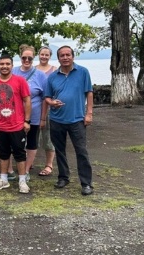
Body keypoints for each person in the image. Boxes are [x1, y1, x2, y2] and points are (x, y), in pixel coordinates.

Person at [44, 45, 94, 196]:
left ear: (73, 56)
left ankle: (86, 183)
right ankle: (63, 177)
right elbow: (47, 96)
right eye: (62, 55)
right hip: (57, 119)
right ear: (58, 58)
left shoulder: (83, 72)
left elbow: (89, 93)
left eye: (68, 55)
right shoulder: (52, 76)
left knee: (81, 151)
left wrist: (89, 113)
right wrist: (51, 102)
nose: (65, 58)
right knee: (59, 151)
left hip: (77, 119)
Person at [0, 54, 31, 193]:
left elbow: (27, 100)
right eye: (2, 64)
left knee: (20, 153)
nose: (4, 66)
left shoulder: (20, 81)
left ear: (12, 65)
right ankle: (3, 179)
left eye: (7, 64)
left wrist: (27, 121)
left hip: (17, 124)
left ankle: (22, 181)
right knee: (3, 153)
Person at [11, 45, 48, 181]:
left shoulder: (40, 75)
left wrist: (43, 118)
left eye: (30, 58)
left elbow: (45, 98)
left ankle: (26, 170)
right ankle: (13, 168)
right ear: (20, 57)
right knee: (14, 142)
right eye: (24, 57)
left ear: (34, 58)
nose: (27, 60)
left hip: (34, 113)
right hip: (14, 114)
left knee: (31, 141)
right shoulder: (13, 71)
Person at [36, 46, 57, 176]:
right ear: (38, 55)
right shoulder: (33, 70)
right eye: (42, 54)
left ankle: (49, 164)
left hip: (49, 108)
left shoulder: (54, 70)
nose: (44, 57)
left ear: (50, 56)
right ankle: (29, 161)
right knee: (31, 137)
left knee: (48, 137)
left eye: (46, 55)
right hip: (35, 107)